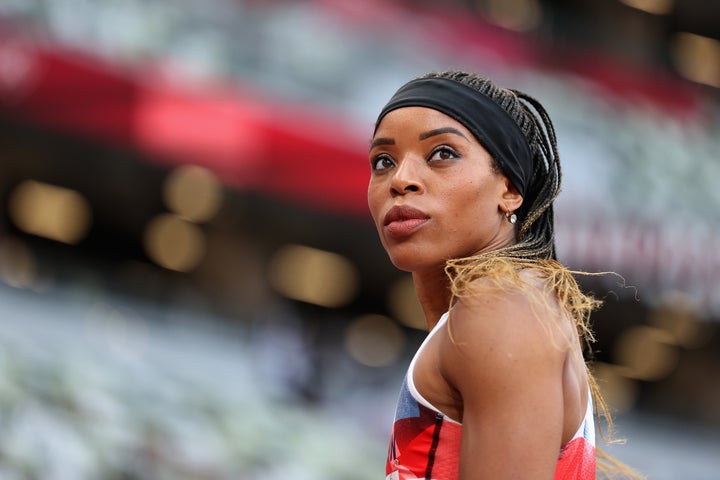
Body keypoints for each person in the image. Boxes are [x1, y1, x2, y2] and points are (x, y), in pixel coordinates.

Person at [367, 71, 642, 479]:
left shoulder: (500, 307)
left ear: (510, 189)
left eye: (442, 154)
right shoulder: (501, 308)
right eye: (383, 161)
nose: (401, 179)